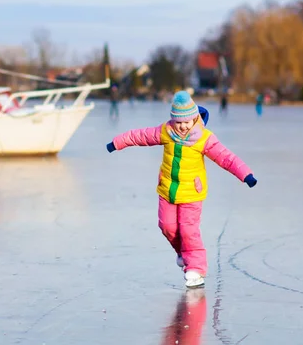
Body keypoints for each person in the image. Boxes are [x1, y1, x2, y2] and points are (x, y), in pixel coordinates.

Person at [105, 91, 257, 288]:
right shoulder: (165, 132)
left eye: (187, 121)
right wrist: (117, 142)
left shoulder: (204, 138)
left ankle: (196, 269)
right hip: (167, 189)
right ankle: (183, 252)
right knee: (167, 227)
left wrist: (246, 174)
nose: (183, 126)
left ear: (195, 118)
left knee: (189, 230)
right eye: (179, 122)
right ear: (172, 120)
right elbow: (140, 136)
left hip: (192, 193)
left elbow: (226, 158)